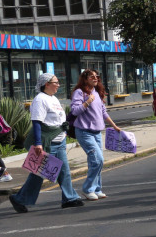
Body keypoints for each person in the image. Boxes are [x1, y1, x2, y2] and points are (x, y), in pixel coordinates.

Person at [8, 73, 84, 213]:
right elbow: (37, 122)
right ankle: (19, 199)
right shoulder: (40, 100)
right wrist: (38, 143)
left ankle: (69, 198)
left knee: (64, 171)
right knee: (39, 174)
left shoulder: (53, 98)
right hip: (47, 143)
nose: (58, 84)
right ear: (47, 84)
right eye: (56, 82)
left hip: (59, 141)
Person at [70, 69, 123, 200]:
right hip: (84, 132)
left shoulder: (96, 93)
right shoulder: (79, 92)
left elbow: (103, 112)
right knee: (98, 160)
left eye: (96, 76)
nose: (95, 78)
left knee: (96, 161)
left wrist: (114, 125)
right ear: (85, 79)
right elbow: (75, 111)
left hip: (97, 132)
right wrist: (87, 102)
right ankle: (87, 189)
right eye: (92, 76)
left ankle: (97, 188)